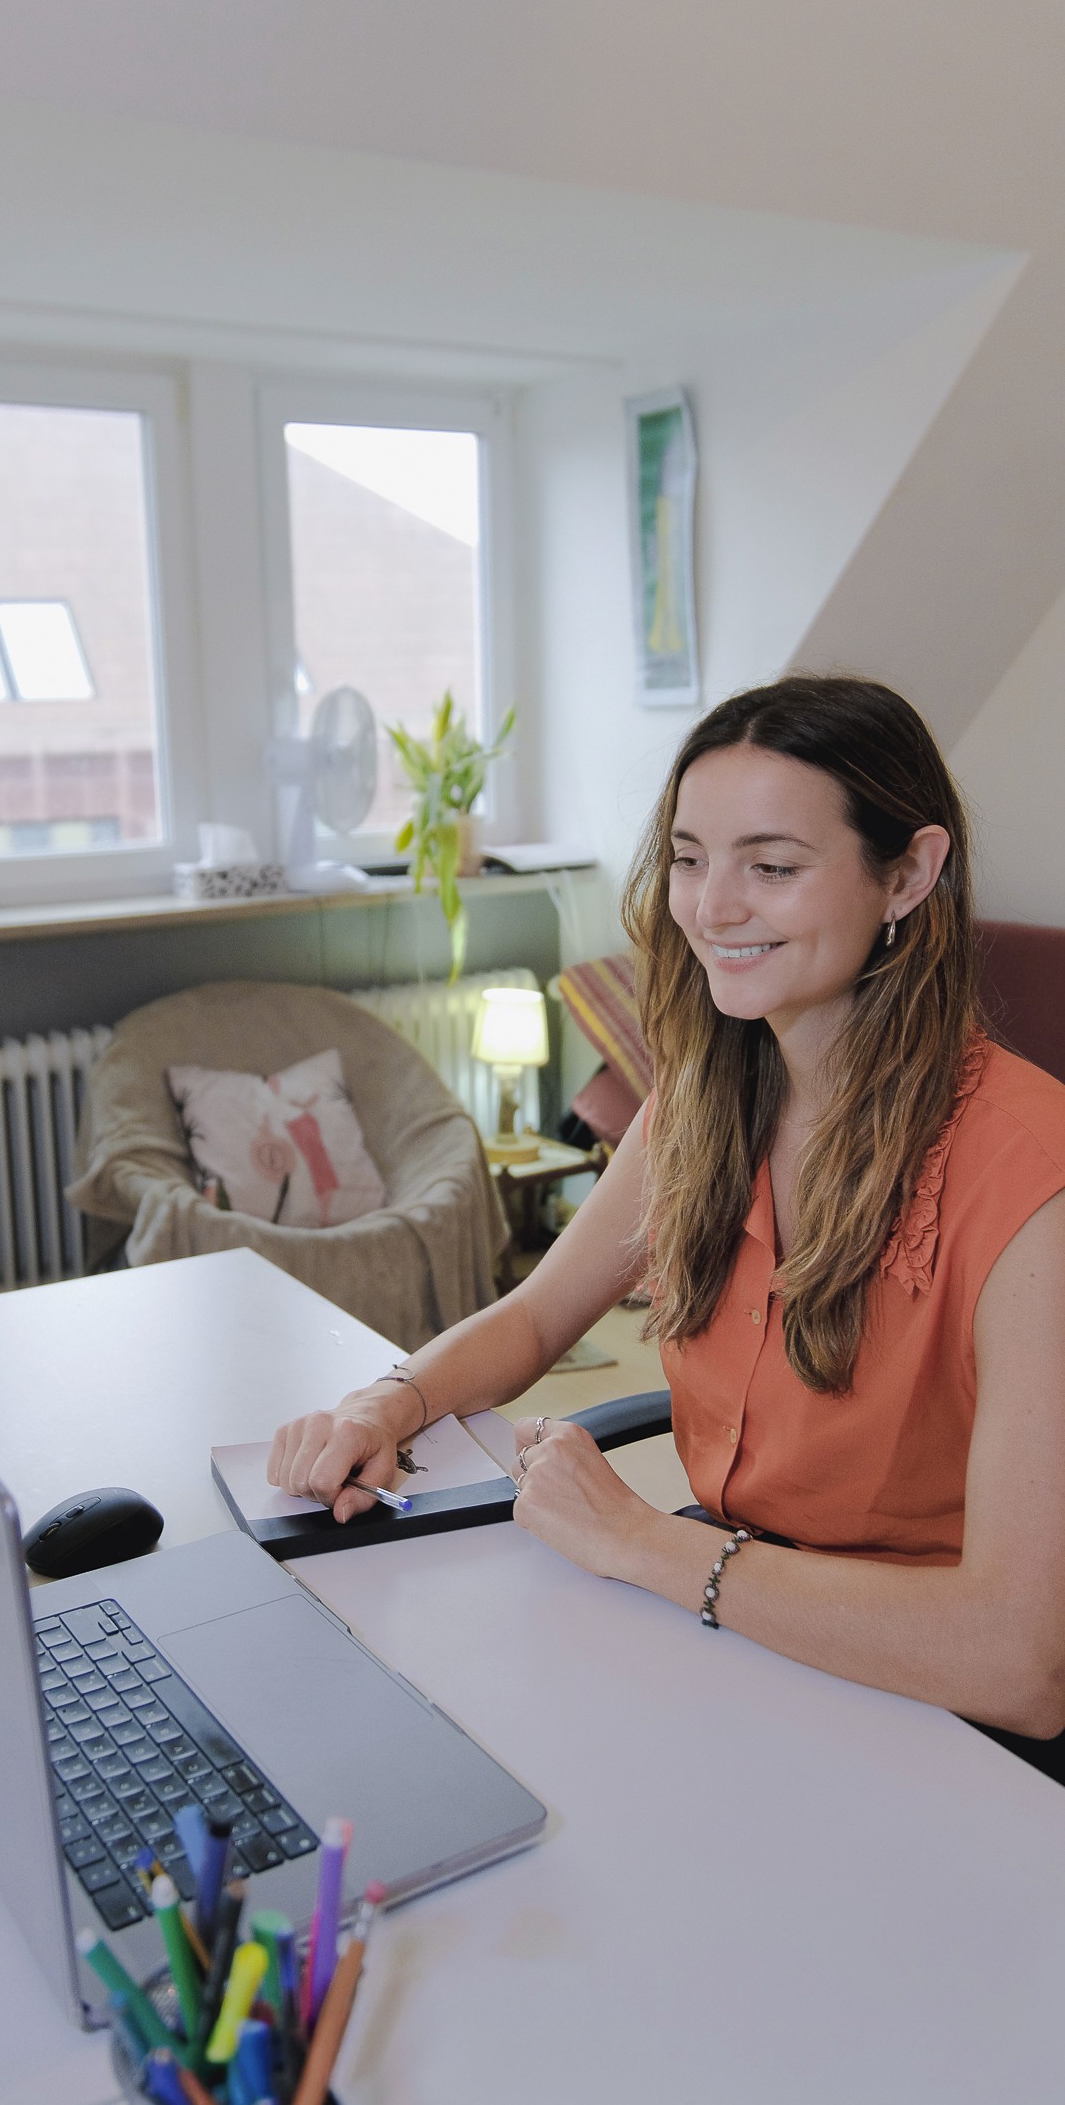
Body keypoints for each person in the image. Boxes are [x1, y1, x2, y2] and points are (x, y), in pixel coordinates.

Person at [268, 674, 1065, 1776]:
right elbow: (537, 1316)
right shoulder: (701, 1094)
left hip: (939, 1717)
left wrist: (639, 1540)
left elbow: (1020, 1661)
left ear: (908, 873)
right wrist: (386, 1399)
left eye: (771, 866)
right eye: (689, 857)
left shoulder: (1032, 1177)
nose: (710, 906)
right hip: (743, 1635)